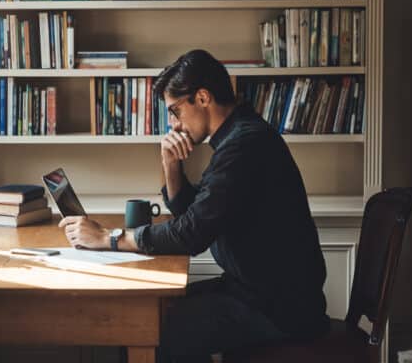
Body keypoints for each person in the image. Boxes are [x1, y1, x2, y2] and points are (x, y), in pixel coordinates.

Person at [58, 49, 330, 362]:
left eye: (175, 111)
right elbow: (197, 213)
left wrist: (109, 238)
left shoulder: (244, 145)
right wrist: (170, 165)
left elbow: (191, 235)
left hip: (279, 308)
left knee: (157, 327)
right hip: (256, 292)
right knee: (152, 313)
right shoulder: (237, 138)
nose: (173, 125)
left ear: (202, 98)